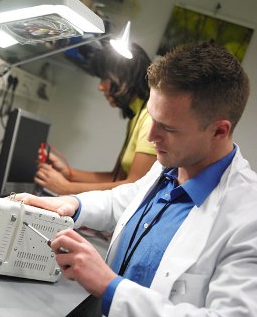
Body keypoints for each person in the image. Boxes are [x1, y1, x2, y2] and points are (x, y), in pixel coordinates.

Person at [17, 43, 257, 316]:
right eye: (152, 119)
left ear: (219, 131)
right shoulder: (171, 166)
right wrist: (72, 204)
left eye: (166, 127)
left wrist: (110, 287)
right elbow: (125, 201)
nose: (151, 136)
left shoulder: (248, 219)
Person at [35, 43, 157, 195]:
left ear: (124, 76)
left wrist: (66, 188)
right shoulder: (136, 117)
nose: (100, 87)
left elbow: (133, 187)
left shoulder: (150, 121)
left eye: (105, 78)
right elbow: (116, 178)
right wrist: (69, 173)